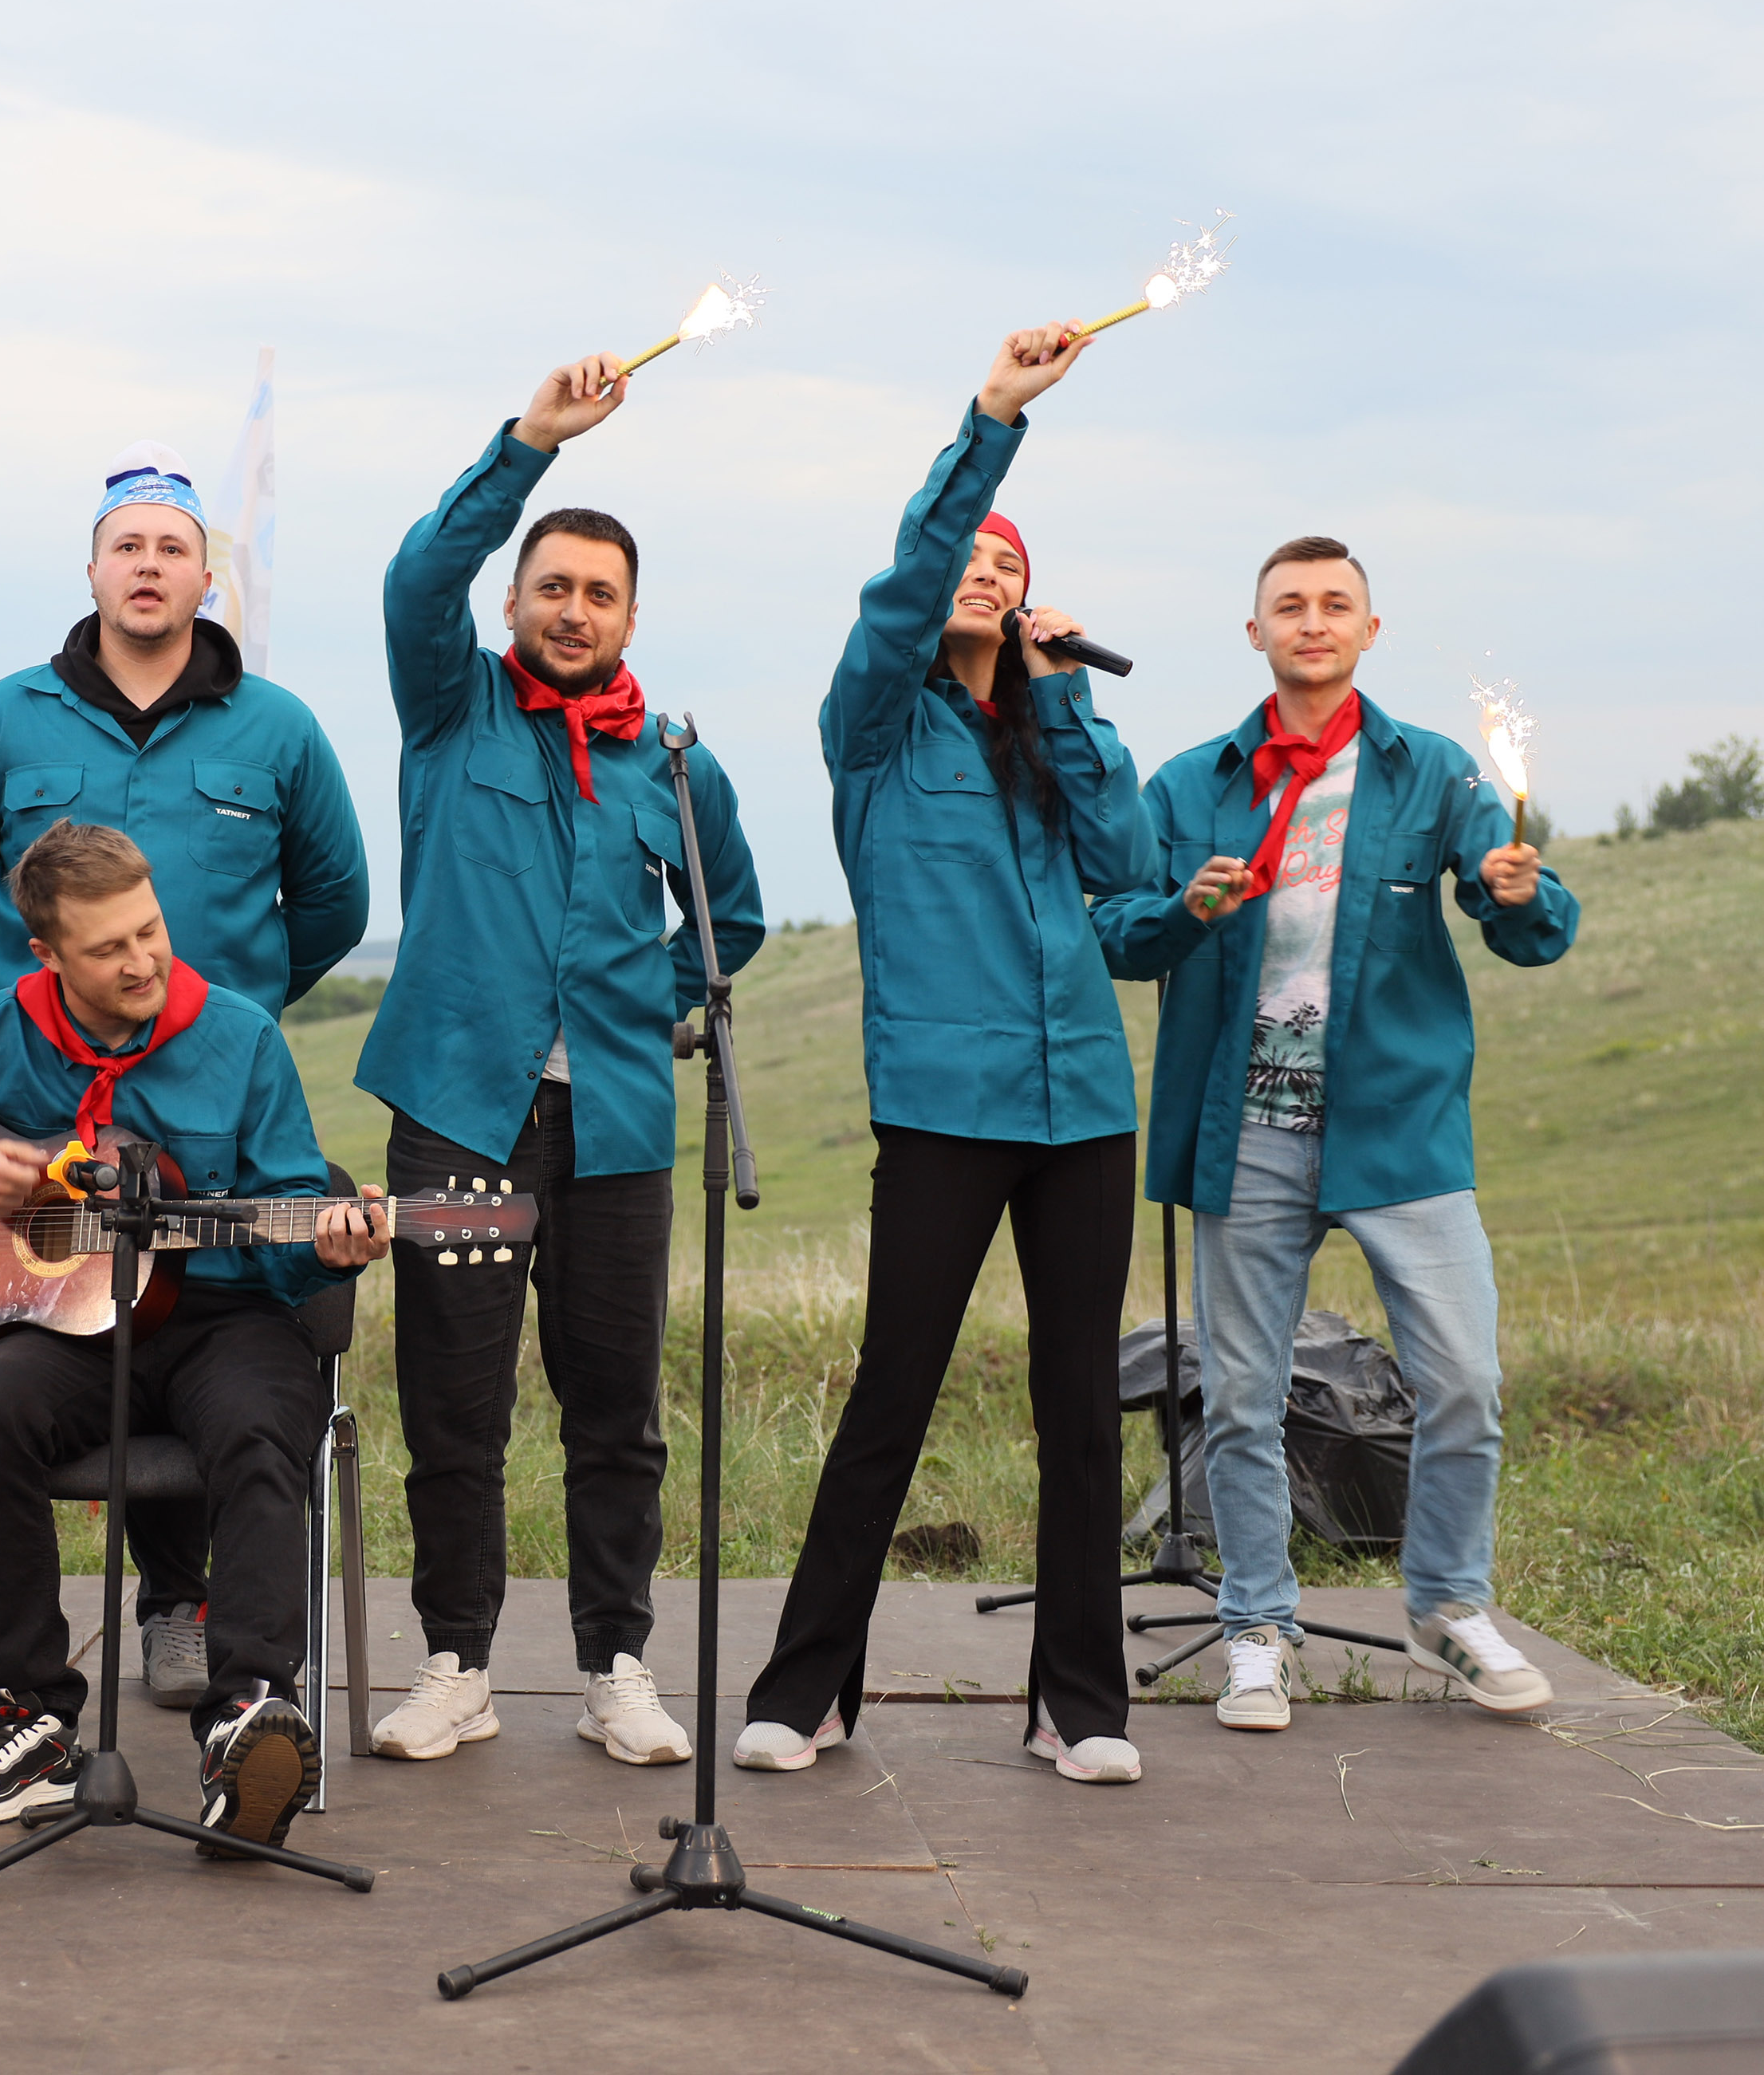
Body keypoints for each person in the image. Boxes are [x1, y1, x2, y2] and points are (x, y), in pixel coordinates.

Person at [736, 322, 1189, 1789]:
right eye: (965, 565)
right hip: (942, 1106)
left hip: (1084, 1113)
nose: (983, 578)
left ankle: (1077, 1701)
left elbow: (1126, 869)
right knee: (894, 1388)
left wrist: (1065, 699)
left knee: (1078, 1405)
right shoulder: (872, 729)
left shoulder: (1054, 730)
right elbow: (905, 574)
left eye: (1009, 566)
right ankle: (811, 1687)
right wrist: (992, 421)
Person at [0, 822, 391, 1848]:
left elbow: (290, 1200)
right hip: (69, 1326)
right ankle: (34, 1722)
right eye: (109, 948)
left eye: (150, 931)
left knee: (257, 1426)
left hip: (221, 1320)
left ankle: (247, 1715)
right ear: (48, 956)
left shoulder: (237, 1034)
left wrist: (327, 1248)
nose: (144, 959)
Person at [0, 443, 368, 1726]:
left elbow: (332, 897)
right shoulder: (7, 716)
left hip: (212, 1102)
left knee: (197, 1308)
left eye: (173, 545)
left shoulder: (274, 727)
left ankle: (186, 1616)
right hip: (36, 1110)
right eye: (128, 545)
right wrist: (32, 1003)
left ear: (205, 574)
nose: (149, 564)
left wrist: (229, 1014)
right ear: (94, 569)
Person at [355, 355, 766, 1769]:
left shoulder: (676, 759)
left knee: (617, 1412)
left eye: (600, 594)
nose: (573, 610)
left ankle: (617, 1665)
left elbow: (736, 920)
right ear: (516, 601)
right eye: (552, 587)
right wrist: (528, 440)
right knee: (452, 1405)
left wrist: (638, 1014)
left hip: (620, 1135)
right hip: (458, 1107)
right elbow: (421, 575)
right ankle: (456, 1663)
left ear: (631, 616)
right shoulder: (449, 703)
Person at [1094, 536, 1577, 1732]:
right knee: (1243, 1396)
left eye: (1334, 605)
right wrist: (1181, 908)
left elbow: (1519, 912)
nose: (1311, 621)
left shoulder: (1432, 771)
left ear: (1368, 629)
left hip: (1396, 1127)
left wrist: (1520, 893)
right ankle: (1256, 1625)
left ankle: (1447, 1607)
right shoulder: (1188, 782)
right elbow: (1118, 929)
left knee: (1463, 1378)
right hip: (1243, 1125)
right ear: (1251, 633)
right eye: (1287, 606)